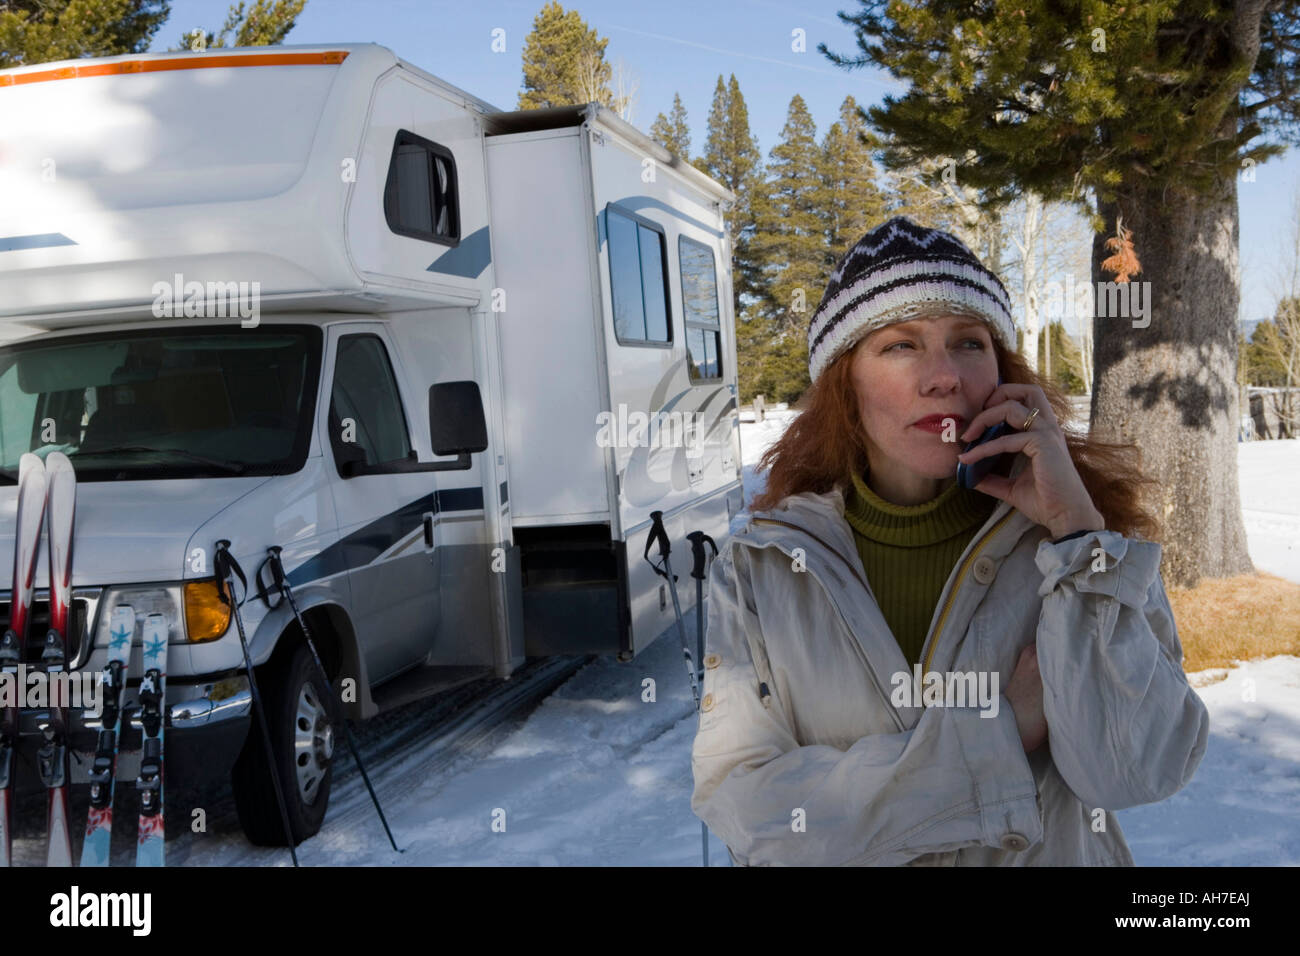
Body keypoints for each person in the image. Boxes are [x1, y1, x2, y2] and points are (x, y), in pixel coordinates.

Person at [690, 216, 1209, 866]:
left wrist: (1078, 531)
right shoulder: (762, 567)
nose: (944, 376)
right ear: (843, 382)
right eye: (900, 346)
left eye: (969, 342)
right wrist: (996, 742)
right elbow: (748, 808)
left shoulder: (1074, 547)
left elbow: (1138, 771)